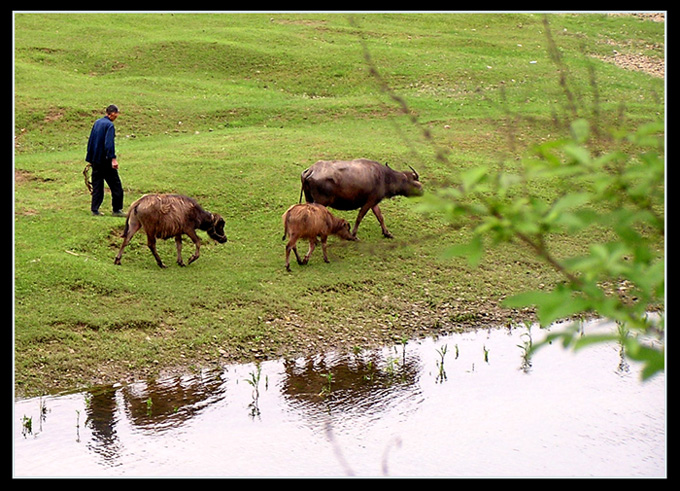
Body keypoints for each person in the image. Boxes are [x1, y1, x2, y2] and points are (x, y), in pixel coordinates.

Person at [86, 104, 125, 216]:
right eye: (116, 113)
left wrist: (90, 158)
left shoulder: (97, 123)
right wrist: (113, 158)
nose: (117, 116)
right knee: (116, 185)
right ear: (112, 114)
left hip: (95, 160)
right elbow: (109, 144)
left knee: (97, 185)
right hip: (105, 161)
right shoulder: (109, 126)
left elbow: (91, 141)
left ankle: (95, 209)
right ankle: (117, 210)